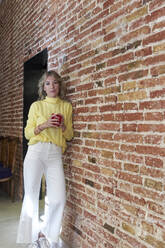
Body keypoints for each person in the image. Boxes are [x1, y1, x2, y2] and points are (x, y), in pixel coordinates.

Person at [16, 70, 73, 248]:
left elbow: (70, 135)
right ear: (43, 87)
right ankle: (32, 240)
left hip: (55, 153)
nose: (52, 86)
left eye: (55, 82)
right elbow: (27, 133)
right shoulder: (36, 106)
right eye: (48, 83)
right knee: (31, 197)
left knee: (58, 199)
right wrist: (44, 125)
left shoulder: (66, 106)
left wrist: (63, 126)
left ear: (60, 85)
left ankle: (47, 234)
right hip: (36, 151)